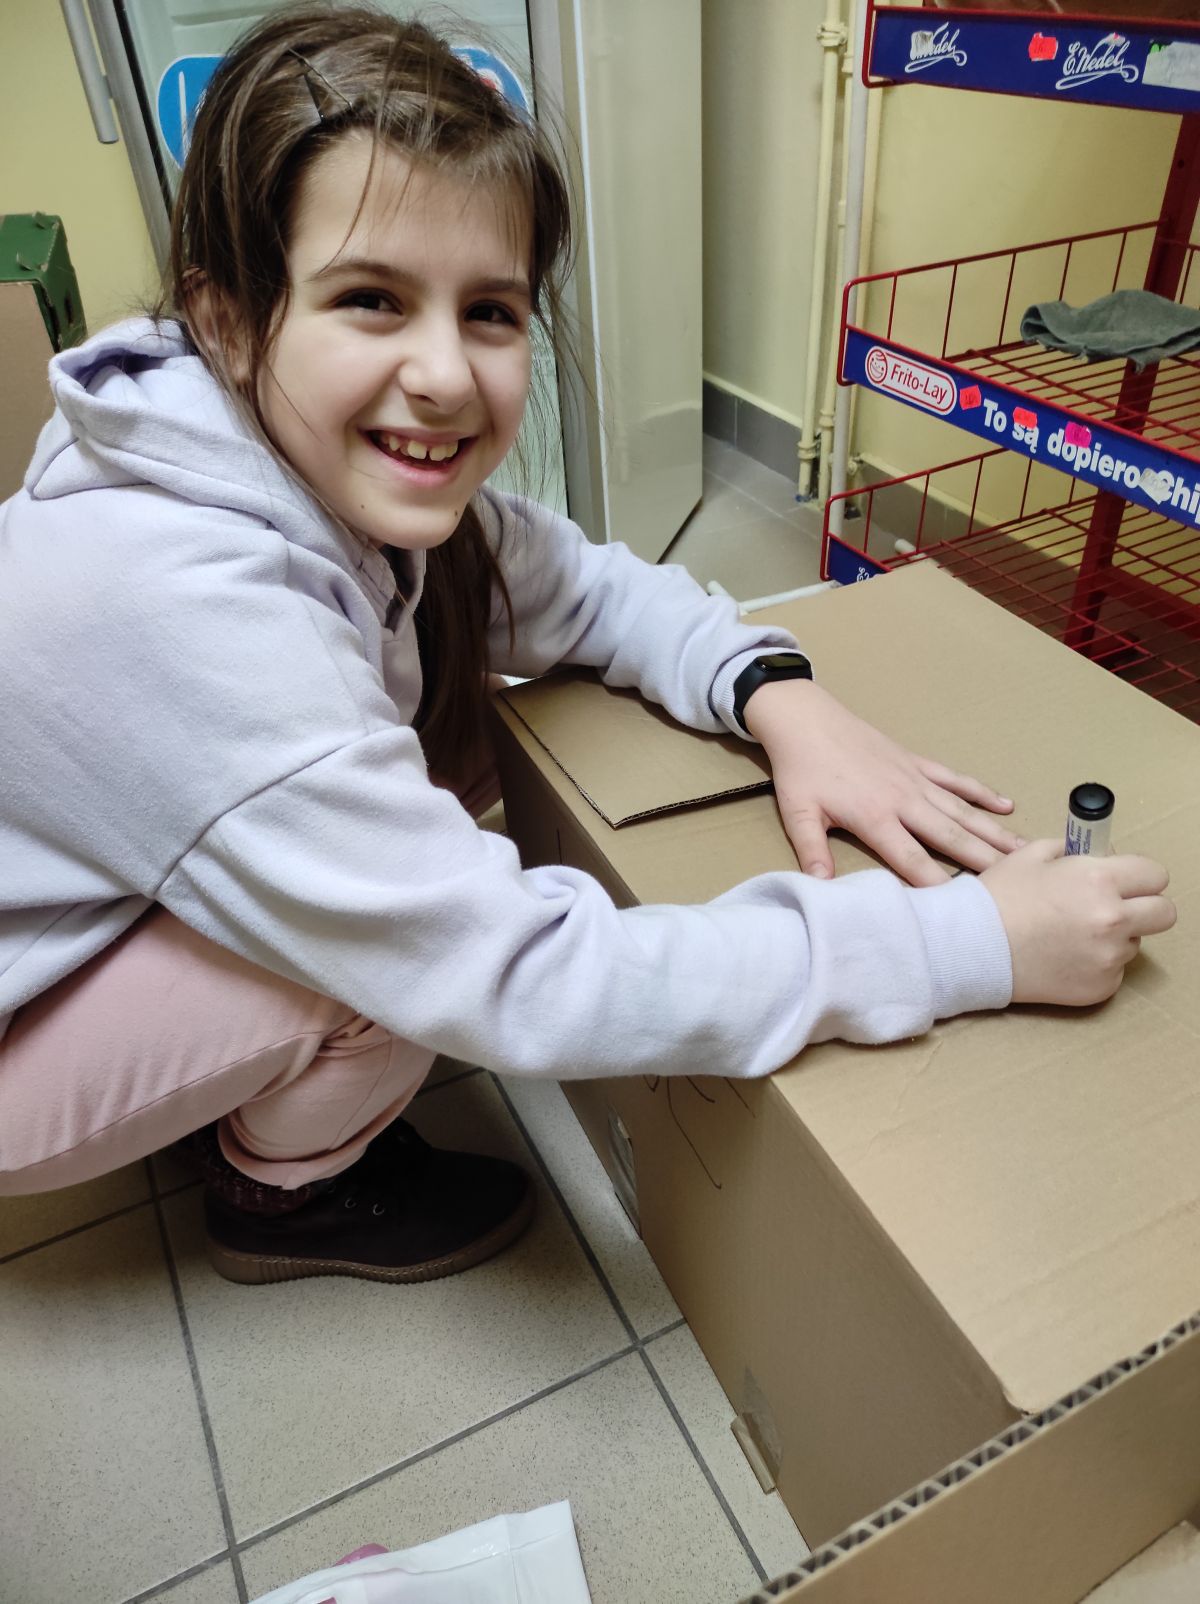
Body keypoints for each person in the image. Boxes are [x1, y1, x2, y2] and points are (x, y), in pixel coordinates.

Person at [0, 3, 1174, 1287]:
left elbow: (592, 590)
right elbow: (518, 976)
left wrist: (784, 697)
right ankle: (279, 1198)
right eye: (371, 299)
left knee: (446, 736)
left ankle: (212, 1052)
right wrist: (970, 943)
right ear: (228, 319)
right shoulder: (193, 601)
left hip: (86, 883)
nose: (446, 374)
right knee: (374, 967)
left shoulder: (274, 448)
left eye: (490, 311)